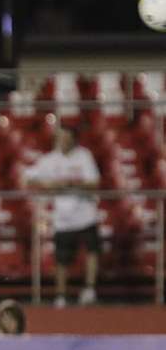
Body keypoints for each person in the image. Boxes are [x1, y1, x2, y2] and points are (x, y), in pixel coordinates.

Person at [26, 127, 100, 308]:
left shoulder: (84, 156)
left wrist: (74, 183)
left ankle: (90, 289)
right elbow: (29, 178)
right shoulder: (50, 160)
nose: (64, 141)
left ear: (74, 139)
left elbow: (95, 182)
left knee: (92, 251)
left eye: (67, 138)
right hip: (63, 218)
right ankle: (61, 295)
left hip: (85, 213)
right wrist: (50, 184)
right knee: (61, 258)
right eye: (61, 138)